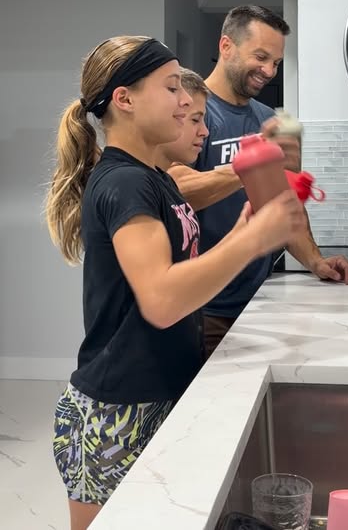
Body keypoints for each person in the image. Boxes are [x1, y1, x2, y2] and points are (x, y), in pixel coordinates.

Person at [45, 35, 305, 530]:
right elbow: (161, 299)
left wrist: (246, 229)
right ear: (124, 99)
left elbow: (183, 273)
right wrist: (251, 241)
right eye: (171, 88)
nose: (186, 100)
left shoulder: (157, 178)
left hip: (158, 391)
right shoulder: (123, 182)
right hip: (116, 409)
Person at [169, 6, 348, 357]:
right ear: (226, 47)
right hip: (205, 309)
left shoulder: (267, 118)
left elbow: (283, 205)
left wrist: (316, 261)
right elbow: (176, 193)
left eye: (277, 63)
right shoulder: (190, 113)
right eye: (261, 57)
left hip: (259, 300)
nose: (269, 71)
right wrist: (252, 164)